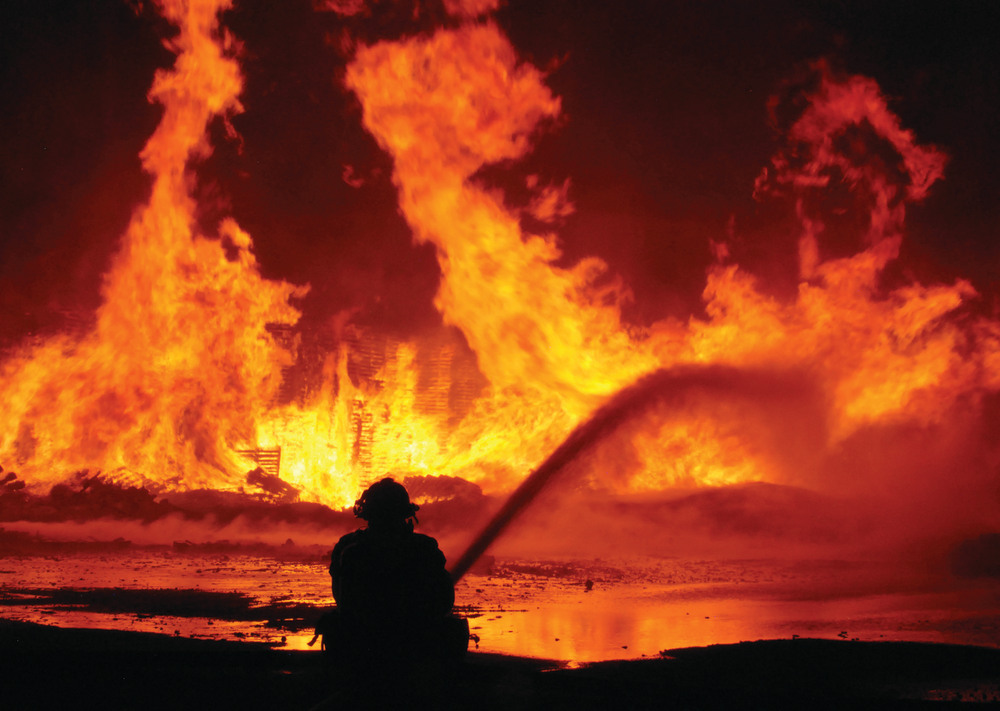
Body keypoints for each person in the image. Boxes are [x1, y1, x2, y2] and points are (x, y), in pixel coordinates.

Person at [323, 477, 466, 664]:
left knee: (333, 622)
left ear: (366, 513)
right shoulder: (424, 547)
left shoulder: (347, 546)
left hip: (360, 644)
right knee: (454, 627)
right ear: (406, 513)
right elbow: (444, 601)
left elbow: (340, 599)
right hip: (417, 644)